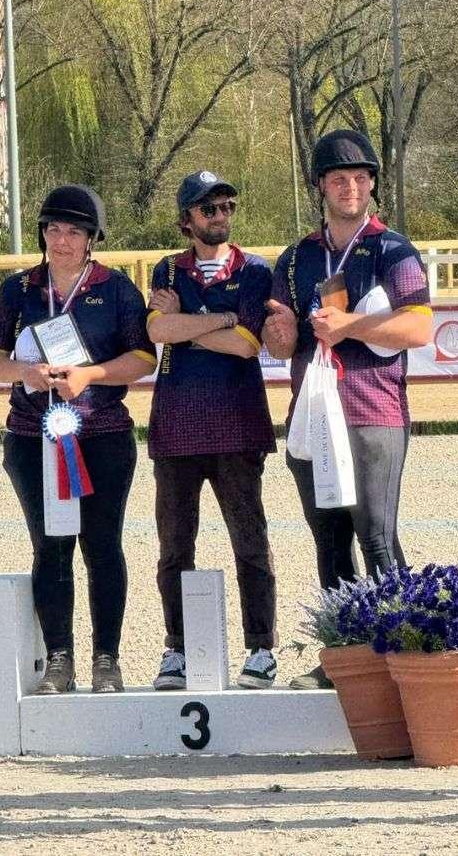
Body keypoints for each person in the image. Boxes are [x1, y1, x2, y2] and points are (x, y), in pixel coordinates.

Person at [263, 130, 433, 689]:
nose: (351, 186)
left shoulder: (393, 250)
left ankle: (406, 650)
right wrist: (279, 330)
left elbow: (419, 327)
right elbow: (281, 343)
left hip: (372, 409)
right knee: (330, 537)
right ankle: (346, 658)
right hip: (312, 412)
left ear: (372, 185)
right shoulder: (296, 259)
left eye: (361, 178)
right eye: (340, 178)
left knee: (376, 535)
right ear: (320, 187)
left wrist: (352, 324)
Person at [0, 184, 156, 695]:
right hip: (32, 434)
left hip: (100, 433)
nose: (61, 240)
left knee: (102, 546)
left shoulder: (118, 288)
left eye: (74, 231)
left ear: (91, 238)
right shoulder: (19, 289)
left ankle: (107, 658)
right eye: (53, 229)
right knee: (49, 546)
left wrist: (91, 375)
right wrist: (24, 371)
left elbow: (143, 358)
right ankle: (59, 657)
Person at [145, 170, 280, 691]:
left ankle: (261, 648)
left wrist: (193, 324)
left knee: (250, 541)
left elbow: (248, 345)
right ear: (187, 220)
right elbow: (158, 331)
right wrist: (221, 320)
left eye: (226, 206)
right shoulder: (165, 268)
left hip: (239, 426)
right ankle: (176, 648)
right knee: (175, 546)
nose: (219, 216)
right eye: (208, 209)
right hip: (176, 429)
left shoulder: (255, 270)